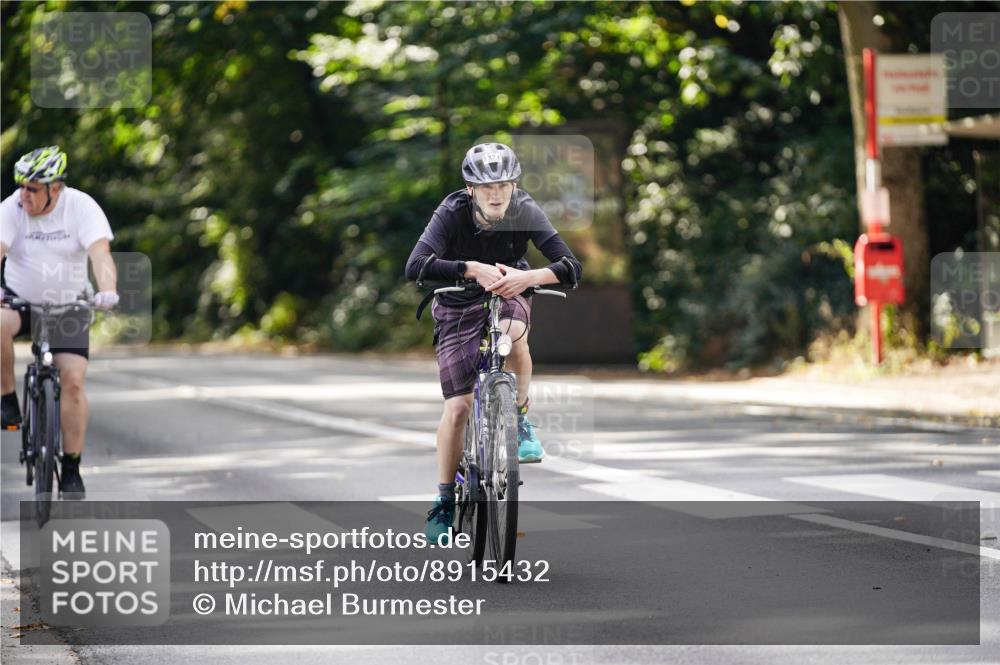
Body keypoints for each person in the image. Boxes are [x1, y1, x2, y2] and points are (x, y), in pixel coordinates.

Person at [404, 142, 582, 539]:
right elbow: (415, 266)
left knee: (514, 336)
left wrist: (528, 278)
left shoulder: (524, 210)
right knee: (459, 407)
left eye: (503, 184)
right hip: (454, 301)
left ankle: (518, 420)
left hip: (509, 291)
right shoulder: (451, 213)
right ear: (470, 189)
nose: (496, 193)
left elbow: (570, 266)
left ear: (514, 185)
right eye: (486, 187)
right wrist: (469, 269)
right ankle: (445, 499)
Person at [1, 146, 119, 499]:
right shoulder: (11, 209)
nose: (25, 195)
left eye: (33, 189)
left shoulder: (81, 208)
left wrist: (108, 290)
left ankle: (70, 467)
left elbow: (101, 255)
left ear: (56, 188)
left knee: (73, 381)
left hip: (69, 304)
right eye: (21, 186)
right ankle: (7, 397)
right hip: (20, 299)